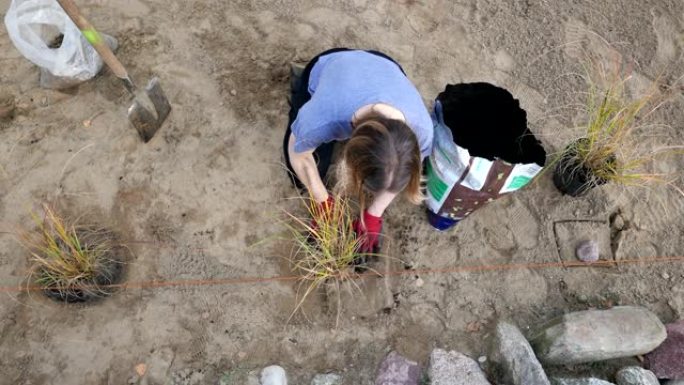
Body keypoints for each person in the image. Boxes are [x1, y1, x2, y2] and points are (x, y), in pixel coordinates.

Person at [283, 48, 433, 253]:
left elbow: (398, 173)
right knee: (299, 175)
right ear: (349, 155)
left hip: (386, 65)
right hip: (332, 63)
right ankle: (302, 83)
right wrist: (322, 202)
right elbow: (298, 153)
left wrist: (374, 214)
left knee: (382, 173)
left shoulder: (422, 134)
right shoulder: (323, 118)